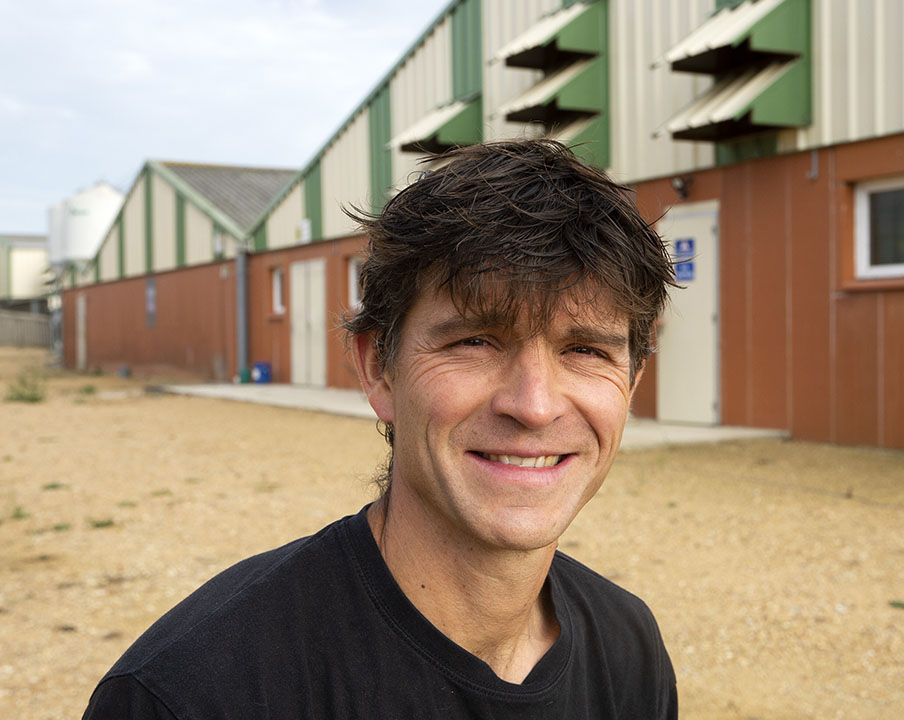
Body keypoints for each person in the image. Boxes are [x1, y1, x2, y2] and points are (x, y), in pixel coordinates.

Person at [83, 139, 679, 719]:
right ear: (378, 369)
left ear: (631, 381)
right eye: (475, 341)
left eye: (585, 350)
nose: (535, 405)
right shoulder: (193, 693)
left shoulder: (630, 651)